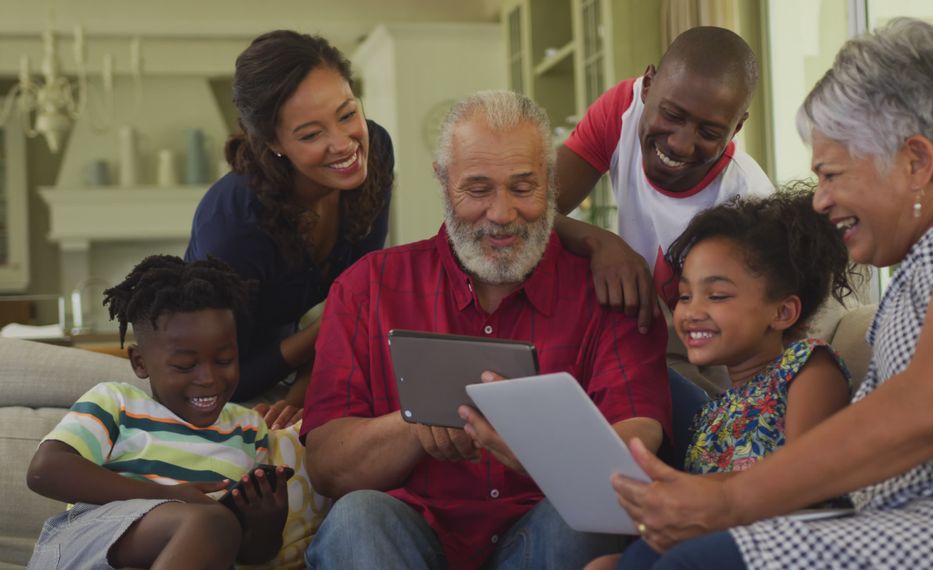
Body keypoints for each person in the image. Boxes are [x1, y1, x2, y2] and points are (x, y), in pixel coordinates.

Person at [607, 18, 933, 569]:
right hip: (915, 516)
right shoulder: (916, 276)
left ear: (916, 162)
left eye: (832, 175)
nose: (820, 201)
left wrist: (729, 500)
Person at [300, 90, 672, 570]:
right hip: (411, 534)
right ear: (442, 180)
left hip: (541, 534)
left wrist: (536, 444)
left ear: (552, 183)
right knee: (356, 518)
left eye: (523, 188)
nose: (501, 214)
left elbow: (637, 441)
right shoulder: (366, 287)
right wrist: (419, 424)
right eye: (477, 190)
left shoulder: (608, 290)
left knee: (580, 524)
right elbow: (328, 467)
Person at [587, 187, 857, 570]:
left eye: (716, 296)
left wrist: (699, 497)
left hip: (788, 545)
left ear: (781, 312)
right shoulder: (710, 413)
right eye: (683, 296)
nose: (691, 311)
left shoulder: (808, 367)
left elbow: (806, 483)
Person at [185, 30, 394, 428]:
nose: (344, 143)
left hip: (300, 354)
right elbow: (220, 378)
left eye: (348, 113)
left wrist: (303, 392)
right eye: (312, 134)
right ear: (273, 142)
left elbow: (357, 303)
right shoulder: (236, 226)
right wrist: (329, 326)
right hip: (220, 365)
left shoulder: (375, 151)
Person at [25, 255, 290, 569]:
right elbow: (45, 470)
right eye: (184, 365)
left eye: (223, 360)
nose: (209, 378)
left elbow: (248, 553)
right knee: (212, 522)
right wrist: (170, 495)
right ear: (140, 362)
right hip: (88, 545)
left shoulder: (249, 429)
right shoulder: (117, 402)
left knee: (219, 528)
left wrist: (268, 522)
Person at [555, 26, 775, 392]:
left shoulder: (748, 203)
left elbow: (762, 350)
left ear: (736, 127)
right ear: (647, 86)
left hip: (715, 381)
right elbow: (526, 212)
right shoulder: (621, 112)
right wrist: (601, 242)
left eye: (708, 132)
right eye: (672, 115)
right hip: (644, 349)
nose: (681, 144)